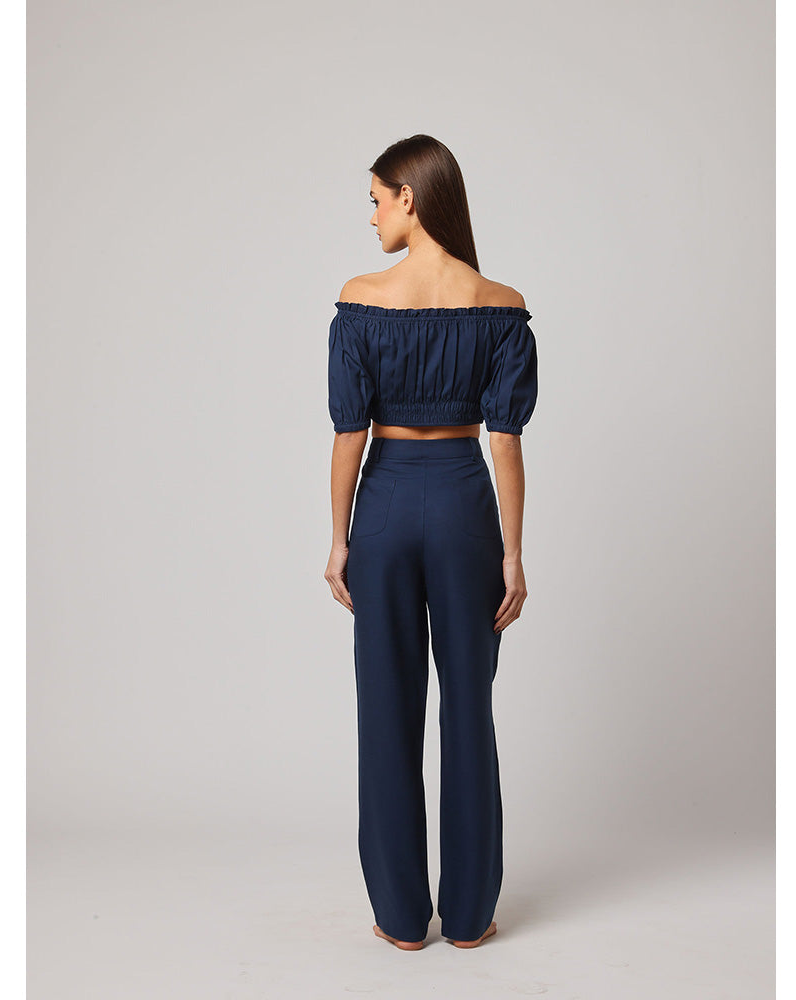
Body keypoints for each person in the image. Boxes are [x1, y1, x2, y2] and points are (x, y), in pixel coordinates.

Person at [324, 134, 538, 951]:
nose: (372, 215)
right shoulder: (501, 304)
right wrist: (512, 554)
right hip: (464, 508)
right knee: (469, 710)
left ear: (409, 197)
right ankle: (473, 916)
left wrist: (339, 539)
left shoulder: (361, 299)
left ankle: (402, 917)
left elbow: (349, 434)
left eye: (377, 199)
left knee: (387, 709)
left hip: (384, 504)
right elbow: (505, 440)